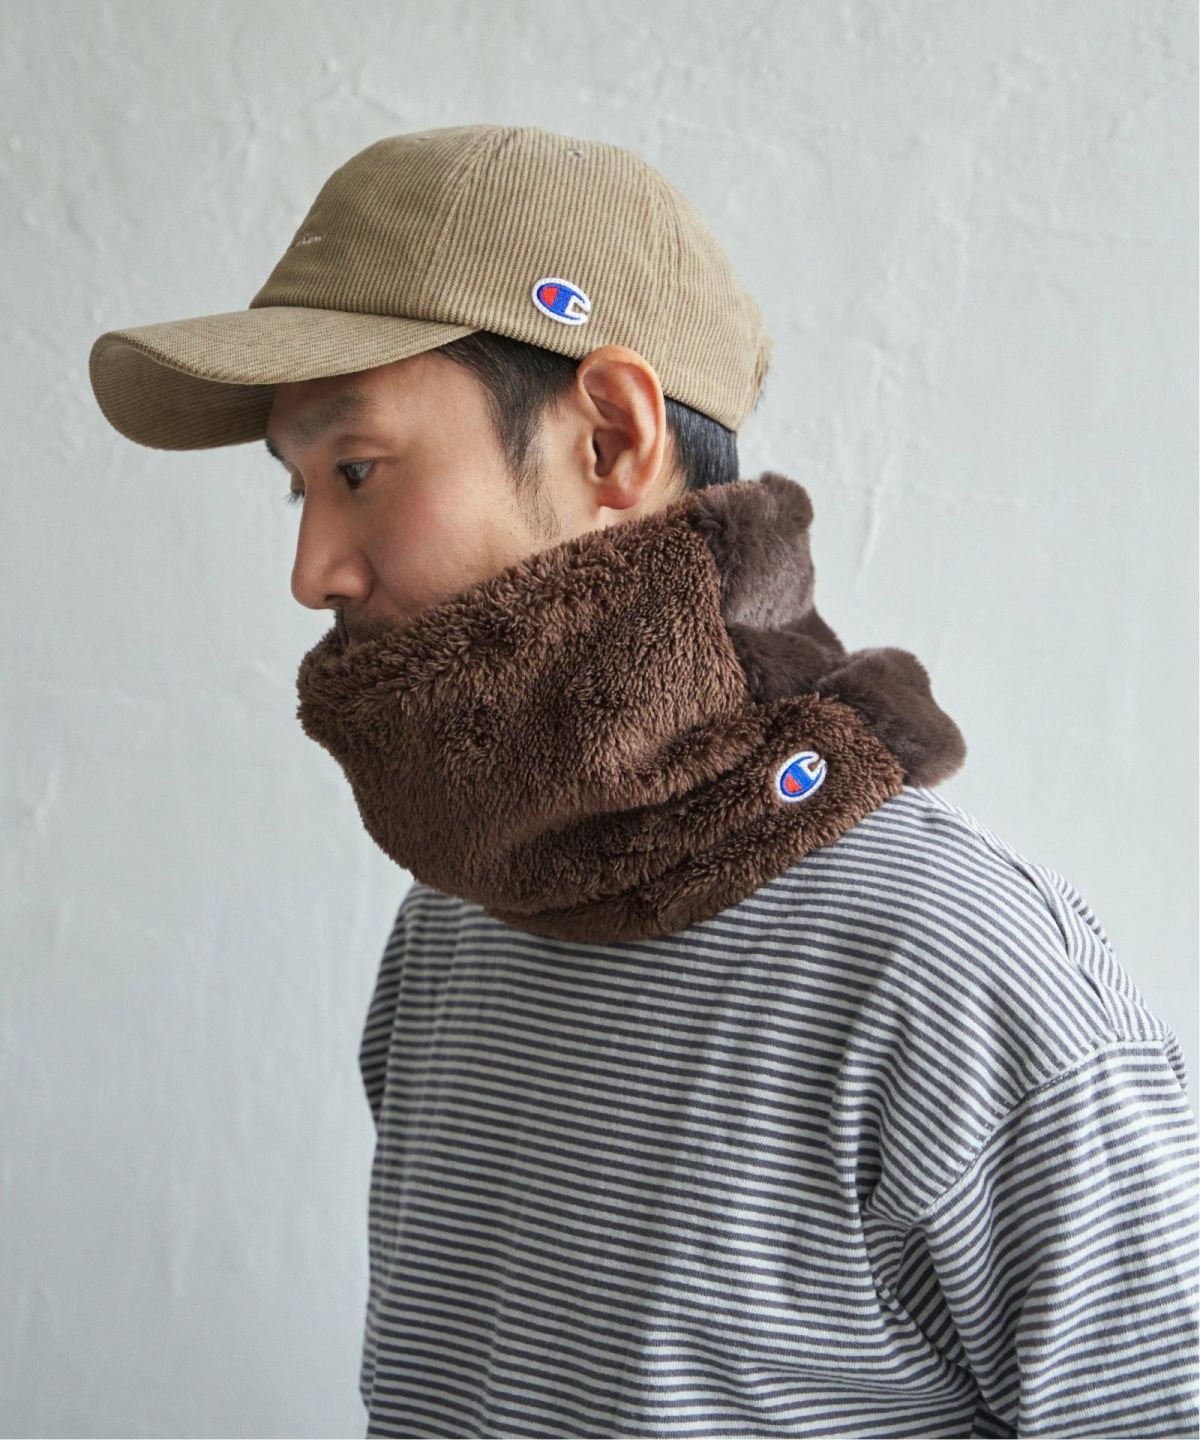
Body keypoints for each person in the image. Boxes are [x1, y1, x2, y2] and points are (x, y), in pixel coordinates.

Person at [89, 125, 1198, 1439]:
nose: (312, 570)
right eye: (298, 493)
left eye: (358, 471)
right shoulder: (457, 923)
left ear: (612, 438)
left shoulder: (947, 968)